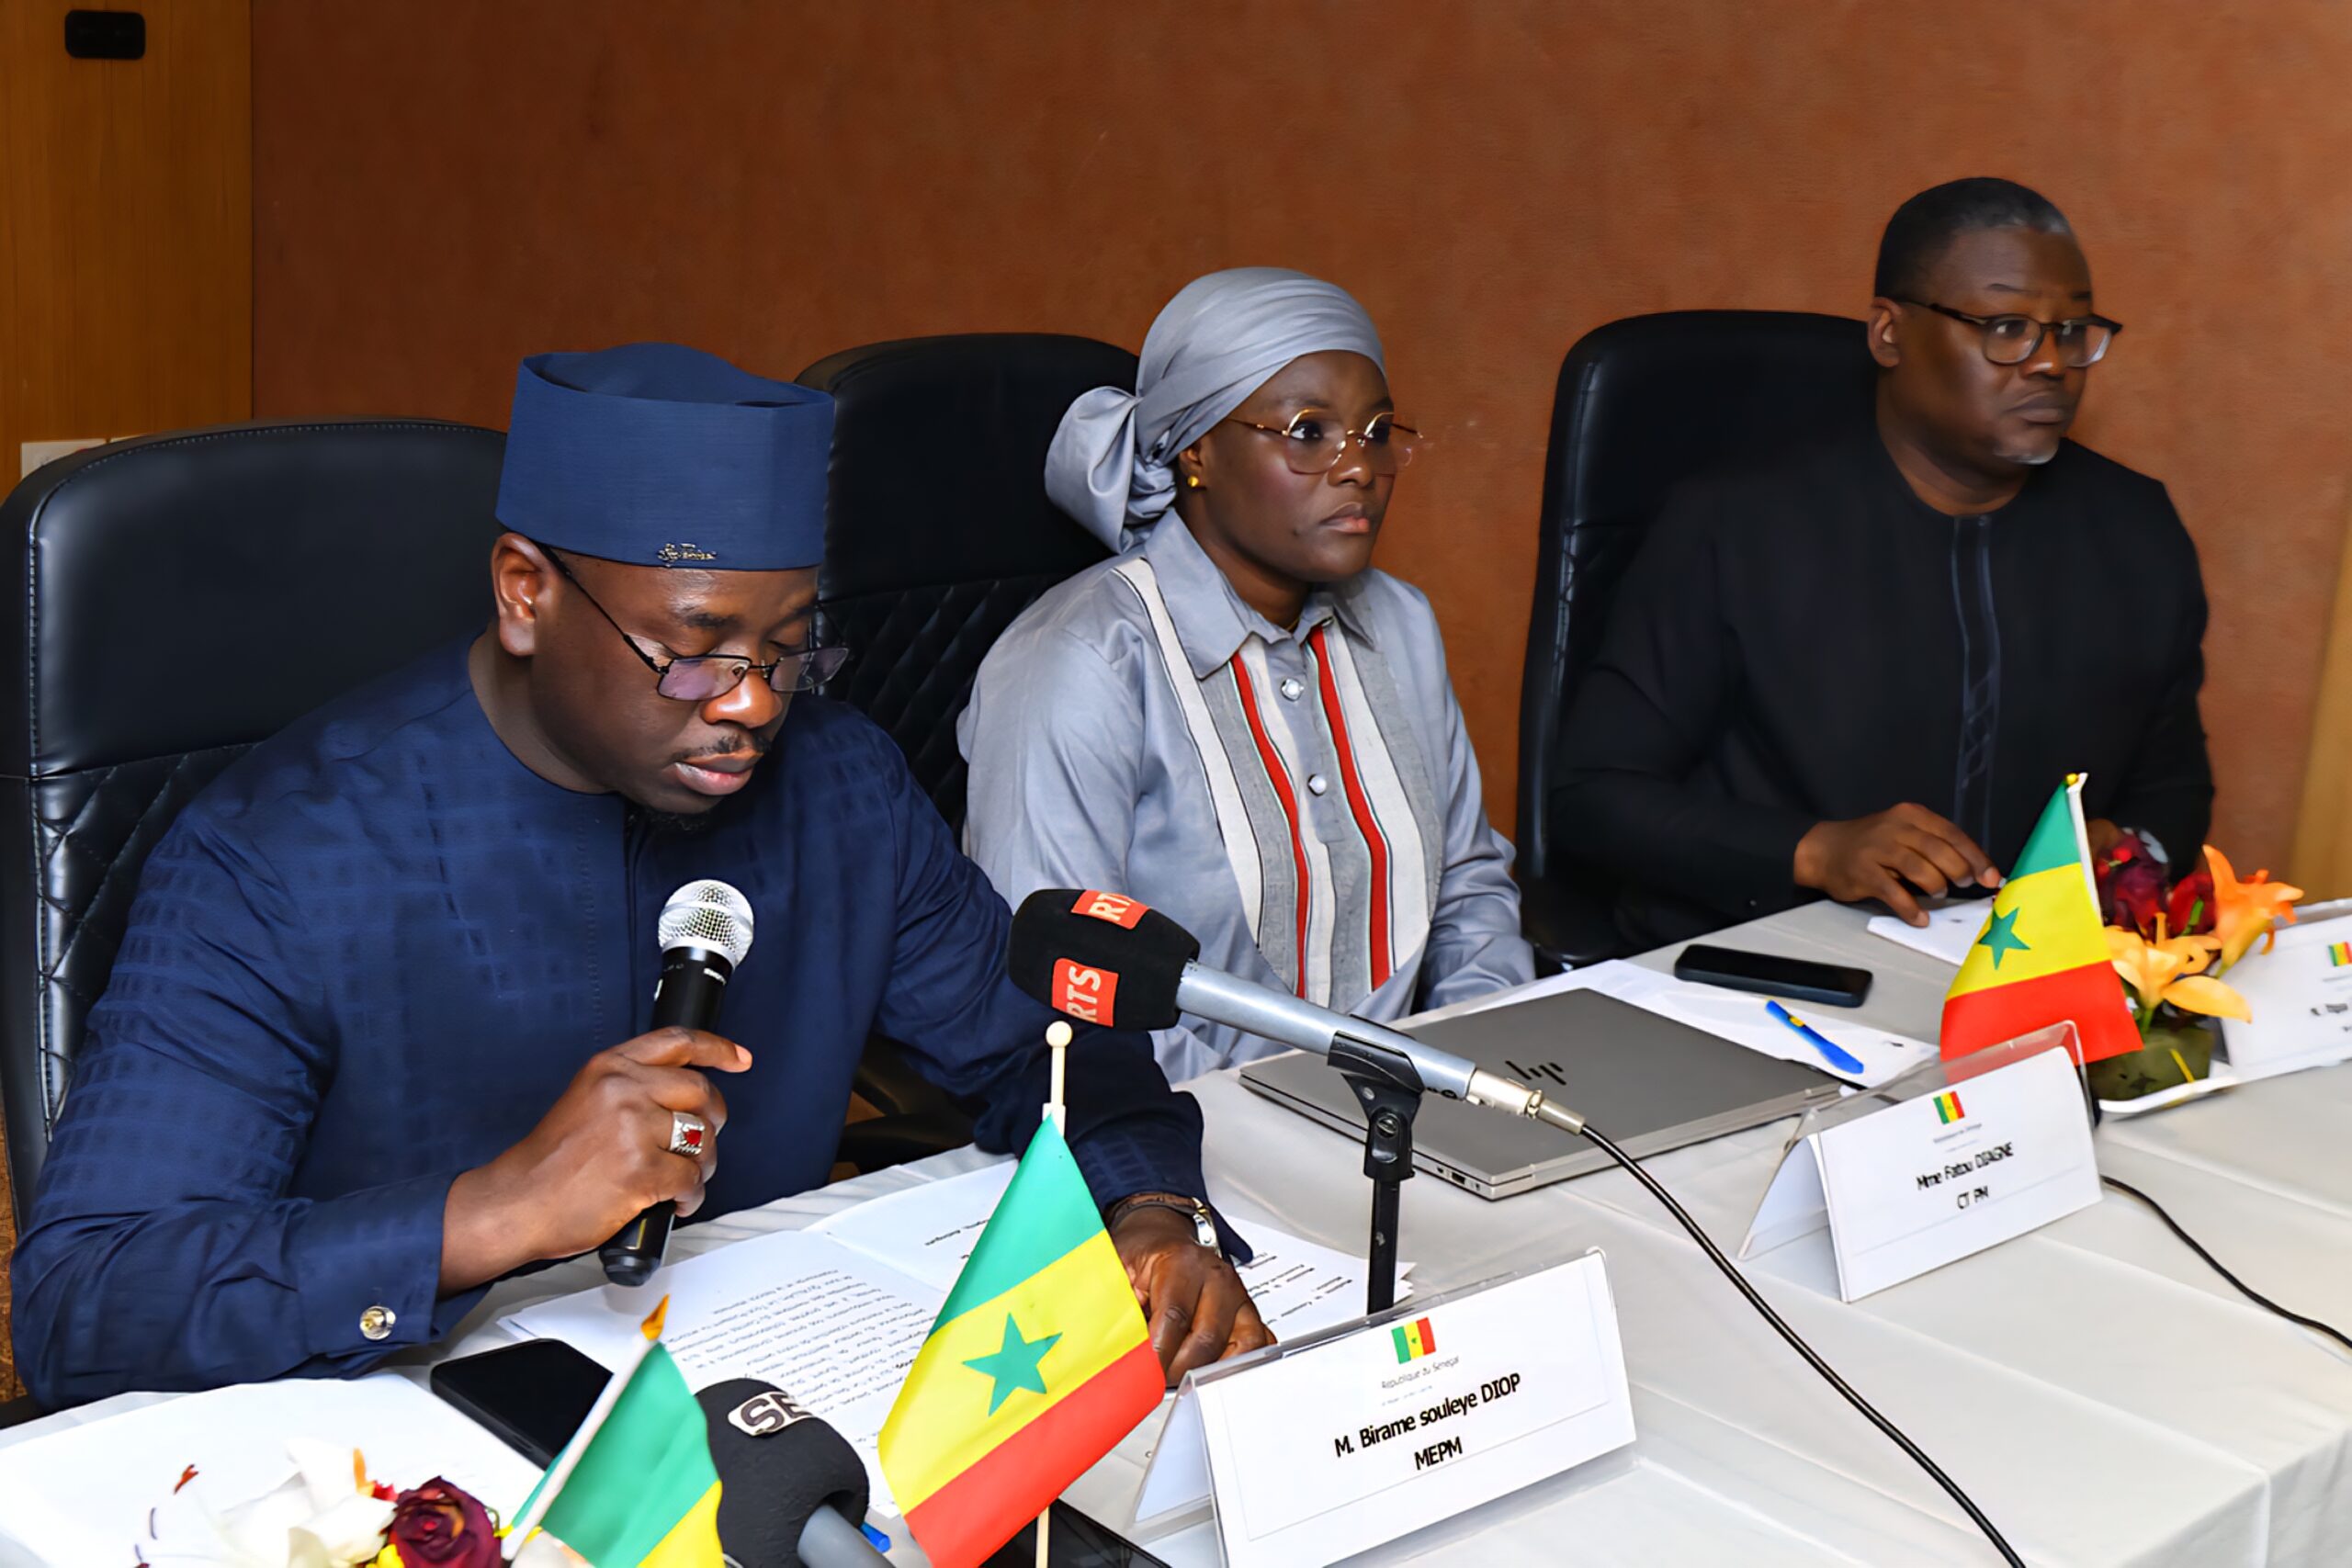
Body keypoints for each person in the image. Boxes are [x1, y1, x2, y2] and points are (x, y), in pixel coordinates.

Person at [10, 344, 1270, 1408]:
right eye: (692, 651)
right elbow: (84, 1301)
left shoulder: (838, 785)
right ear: (525, 594)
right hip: (387, 1435)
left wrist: (1150, 1209)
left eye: (789, 648)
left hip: (752, 1391)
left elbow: (1042, 1046)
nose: (751, 704)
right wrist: (488, 1212)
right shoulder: (281, 859)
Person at [1550, 178, 2212, 949]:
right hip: (1766, 966)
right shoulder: (1735, 527)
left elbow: (2174, 782)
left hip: (2031, 973)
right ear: (1890, 334)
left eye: (2071, 332)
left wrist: (2129, 848)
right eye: (2006, 328)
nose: (2050, 364)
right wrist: (1814, 850)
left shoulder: (2135, 530)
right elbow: (1593, 796)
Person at [959, 269, 1534, 1082]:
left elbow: (1468, 891)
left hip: (1411, 1120)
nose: (1359, 468)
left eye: (1376, 432)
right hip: (1181, 1125)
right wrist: (1271, 1127)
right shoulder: (1082, 659)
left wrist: (1476, 1079)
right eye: (1308, 432)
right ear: (1195, 447)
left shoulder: (1401, 623)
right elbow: (1068, 981)